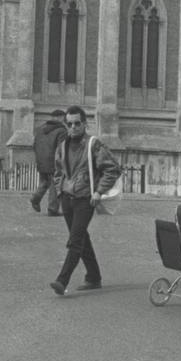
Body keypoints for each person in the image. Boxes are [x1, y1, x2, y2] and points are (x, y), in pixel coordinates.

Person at [48, 105, 121, 296]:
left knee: (74, 241)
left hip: (85, 199)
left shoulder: (93, 144)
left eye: (77, 123)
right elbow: (57, 171)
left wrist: (98, 192)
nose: (73, 127)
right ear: (66, 125)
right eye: (70, 124)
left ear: (84, 124)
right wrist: (59, 190)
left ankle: (61, 281)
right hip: (67, 197)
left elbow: (112, 169)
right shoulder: (62, 146)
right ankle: (94, 277)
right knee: (81, 238)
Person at [30, 109, 67, 216]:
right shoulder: (62, 131)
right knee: (56, 185)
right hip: (54, 162)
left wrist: (39, 159)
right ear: (60, 117)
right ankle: (52, 209)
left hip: (41, 161)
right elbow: (61, 148)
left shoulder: (40, 129)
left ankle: (35, 199)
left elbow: (34, 144)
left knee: (44, 182)